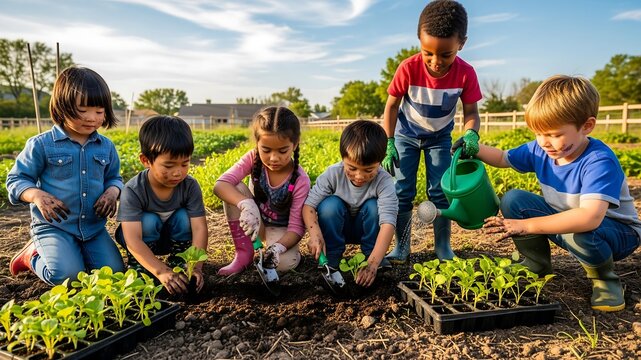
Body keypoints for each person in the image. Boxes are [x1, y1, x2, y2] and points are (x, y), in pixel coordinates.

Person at [476, 75, 641, 312]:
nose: (544, 142)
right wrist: (475, 148)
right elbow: (503, 158)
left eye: (554, 134)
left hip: (616, 233)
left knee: (582, 229)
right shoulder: (541, 149)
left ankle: (605, 280)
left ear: (586, 126)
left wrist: (526, 226)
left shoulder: (598, 161)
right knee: (514, 199)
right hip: (571, 220)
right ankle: (536, 263)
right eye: (538, 133)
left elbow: (589, 218)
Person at [382, 0, 482, 264]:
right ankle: (401, 247)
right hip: (405, 136)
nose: (436, 61)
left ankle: (443, 247)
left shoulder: (466, 74)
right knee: (402, 190)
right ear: (419, 41)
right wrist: (389, 141)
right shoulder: (408, 68)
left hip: (440, 139)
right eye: (428, 53)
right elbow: (391, 106)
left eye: (445, 54)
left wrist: (471, 134)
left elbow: (471, 113)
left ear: (462, 43)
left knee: (440, 191)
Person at [6, 66, 125, 285]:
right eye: (83, 110)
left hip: (92, 228)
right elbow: (16, 180)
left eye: (99, 112)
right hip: (55, 227)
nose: (92, 118)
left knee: (115, 276)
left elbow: (115, 177)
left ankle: (74, 254)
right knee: (68, 278)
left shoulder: (105, 147)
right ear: (63, 107)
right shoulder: (41, 144)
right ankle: (32, 256)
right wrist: (37, 196)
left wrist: (112, 192)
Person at [116, 115, 208, 295]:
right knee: (148, 221)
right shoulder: (134, 189)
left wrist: (196, 267)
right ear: (146, 160)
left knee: (183, 217)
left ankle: (179, 265)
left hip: (173, 239)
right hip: (142, 241)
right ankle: (141, 269)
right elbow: (132, 239)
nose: (177, 172)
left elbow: (199, 229)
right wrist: (160, 271)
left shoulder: (189, 186)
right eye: (168, 165)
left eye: (184, 164)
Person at [214, 106, 310, 276]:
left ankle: (286, 251)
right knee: (234, 187)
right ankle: (243, 254)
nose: (274, 158)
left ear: (295, 144)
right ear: (257, 143)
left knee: (283, 264)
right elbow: (220, 185)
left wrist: (278, 247)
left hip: (283, 231)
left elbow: (296, 228)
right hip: (254, 220)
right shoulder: (253, 158)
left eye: (282, 151)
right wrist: (246, 204)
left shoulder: (300, 180)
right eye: (266, 150)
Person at [303, 120, 398, 287]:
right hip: (339, 228)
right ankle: (332, 256)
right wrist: (315, 235)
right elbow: (309, 206)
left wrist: (372, 264)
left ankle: (372, 254)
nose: (359, 176)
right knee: (329, 205)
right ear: (343, 158)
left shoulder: (384, 181)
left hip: (367, 228)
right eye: (352, 168)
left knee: (373, 207)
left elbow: (388, 223)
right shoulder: (333, 174)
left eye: (369, 170)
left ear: (381, 161)